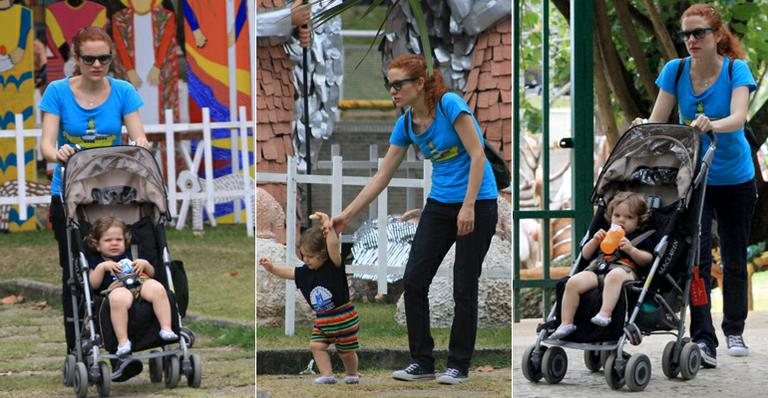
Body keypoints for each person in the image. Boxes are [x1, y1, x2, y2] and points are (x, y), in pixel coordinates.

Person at [327, 54, 498, 385]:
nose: (392, 91)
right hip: (440, 204)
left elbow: (478, 156)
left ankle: (458, 365)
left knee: (464, 284)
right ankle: (422, 360)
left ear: (419, 84)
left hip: (478, 202)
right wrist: (345, 216)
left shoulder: (450, 105)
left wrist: (468, 206)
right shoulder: (406, 124)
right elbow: (381, 178)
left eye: (398, 84)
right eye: (388, 85)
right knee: (415, 279)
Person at [632, 3, 757, 367]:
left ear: (717, 35)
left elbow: (738, 117)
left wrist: (710, 124)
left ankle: (734, 328)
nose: (691, 40)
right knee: (697, 261)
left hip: (735, 178)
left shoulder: (736, 69)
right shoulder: (676, 70)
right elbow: (658, 120)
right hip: (694, 178)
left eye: (699, 32)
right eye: (686, 34)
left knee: (734, 258)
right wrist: (644, 126)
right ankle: (704, 338)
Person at [38, 26, 150, 379]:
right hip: (70, 195)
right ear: (76, 58)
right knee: (75, 274)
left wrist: (141, 145)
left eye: (104, 57)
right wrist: (57, 152)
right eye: (89, 58)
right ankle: (79, 345)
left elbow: (138, 133)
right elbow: (46, 142)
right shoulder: (57, 92)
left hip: (113, 193)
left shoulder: (123, 91)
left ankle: (131, 338)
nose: (97, 64)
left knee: (126, 260)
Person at [259, 211, 360, 385]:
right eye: (303, 255)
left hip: (343, 317)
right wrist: (272, 268)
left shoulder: (333, 266)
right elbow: (290, 272)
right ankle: (328, 375)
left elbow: (334, 246)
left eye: (311, 256)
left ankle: (352, 374)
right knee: (316, 346)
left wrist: (328, 227)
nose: (306, 260)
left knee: (346, 351)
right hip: (323, 321)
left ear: (324, 254)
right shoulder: (305, 272)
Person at [550, 192, 654, 339]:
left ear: (639, 221)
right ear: (610, 216)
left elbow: (648, 259)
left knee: (614, 275)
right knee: (572, 282)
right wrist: (594, 242)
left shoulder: (639, 237)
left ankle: (605, 313)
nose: (621, 220)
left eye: (629, 217)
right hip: (598, 268)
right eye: (617, 215)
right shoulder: (605, 234)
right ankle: (566, 322)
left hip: (624, 270)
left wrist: (632, 249)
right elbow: (585, 255)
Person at [87, 216, 178, 357]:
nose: (114, 243)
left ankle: (166, 328)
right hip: (117, 288)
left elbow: (152, 273)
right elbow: (93, 284)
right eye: (108, 240)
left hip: (140, 284)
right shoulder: (96, 261)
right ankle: (123, 341)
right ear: (97, 245)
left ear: (125, 241)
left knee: (158, 288)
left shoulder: (132, 254)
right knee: (118, 299)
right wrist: (102, 267)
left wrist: (145, 265)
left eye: (118, 240)